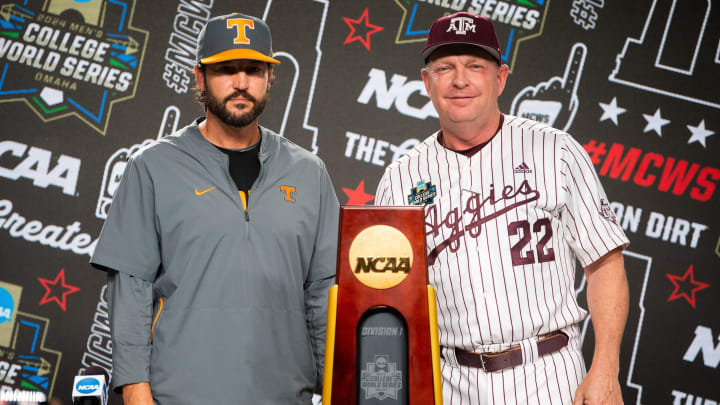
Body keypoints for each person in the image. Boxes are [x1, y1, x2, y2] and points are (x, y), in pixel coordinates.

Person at [374, 12, 630, 405]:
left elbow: (604, 265)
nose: (460, 80)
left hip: (549, 373)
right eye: (445, 67)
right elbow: (389, 299)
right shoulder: (400, 179)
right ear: (427, 82)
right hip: (452, 382)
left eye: (475, 66)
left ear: (500, 78)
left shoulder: (556, 151)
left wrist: (606, 368)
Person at [90, 13, 339, 404]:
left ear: (270, 78)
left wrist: (335, 390)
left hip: (285, 395)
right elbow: (130, 290)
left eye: (254, 70)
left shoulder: (309, 172)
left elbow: (325, 295)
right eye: (226, 69)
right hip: (180, 395)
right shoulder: (153, 167)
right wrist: (137, 393)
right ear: (200, 77)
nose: (241, 83)